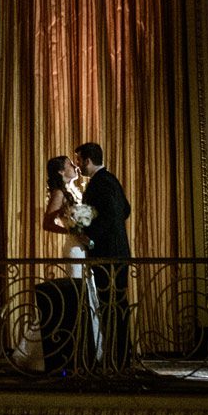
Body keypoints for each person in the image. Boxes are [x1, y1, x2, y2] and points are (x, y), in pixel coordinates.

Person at [34, 155, 101, 374]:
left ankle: (90, 350)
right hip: (74, 249)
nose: (75, 166)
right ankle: (50, 353)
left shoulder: (76, 191)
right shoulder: (59, 192)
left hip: (84, 247)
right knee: (77, 297)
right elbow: (47, 223)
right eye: (70, 165)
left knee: (90, 296)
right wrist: (71, 230)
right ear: (62, 172)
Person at [75, 141, 132, 365]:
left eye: (79, 160)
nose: (78, 165)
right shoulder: (111, 179)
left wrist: (91, 237)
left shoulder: (101, 182)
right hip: (117, 251)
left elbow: (111, 213)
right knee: (115, 304)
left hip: (109, 253)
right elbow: (125, 210)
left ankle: (119, 358)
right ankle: (120, 356)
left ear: (88, 160)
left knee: (112, 305)